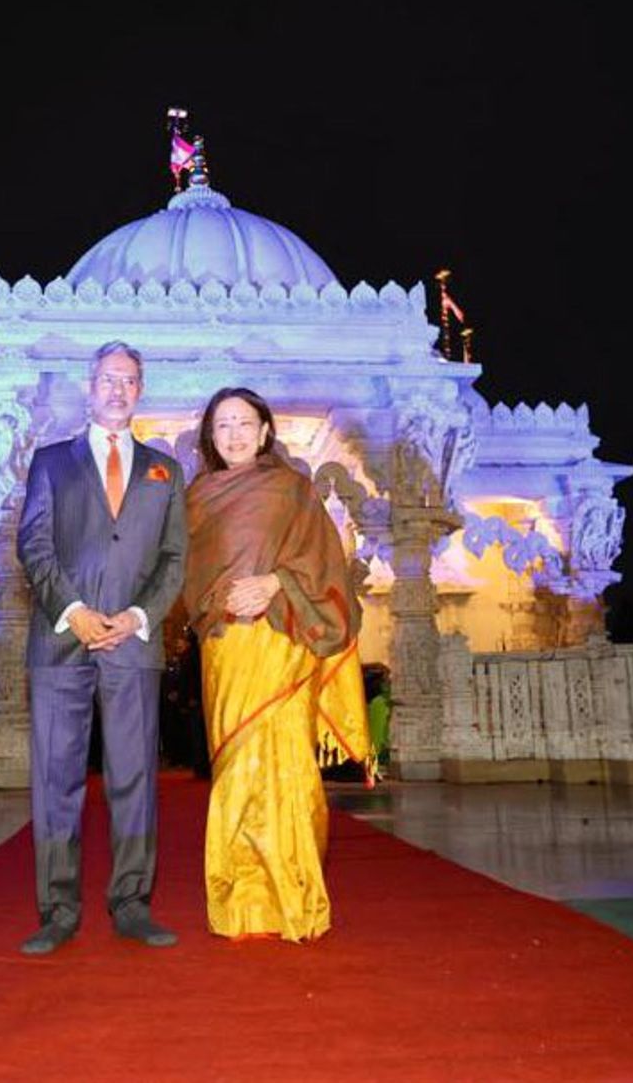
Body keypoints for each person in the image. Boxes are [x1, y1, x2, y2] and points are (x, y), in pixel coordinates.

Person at [16, 340, 187, 955]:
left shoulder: (165, 470)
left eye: (130, 380)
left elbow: (174, 559)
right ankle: (57, 910)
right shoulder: (51, 462)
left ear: (141, 391)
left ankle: (132, 903)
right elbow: (34, 545)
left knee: (134, 776)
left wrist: (137, 616)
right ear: (90, 387)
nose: (119, 389)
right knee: (56, 779)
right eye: (109, 379)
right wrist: (75, 612)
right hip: (60, 640)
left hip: (132, 644)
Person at [184, 388, 371, 943]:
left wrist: (275, 583)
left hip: (284, 639)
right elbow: (187, 577)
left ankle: (294, 896)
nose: (235, 434)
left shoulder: (292, 490)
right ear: (210, 436)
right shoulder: (196, 498)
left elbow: (325, 562)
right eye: (223, 425)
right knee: (236, 765)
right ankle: (240, 900)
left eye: (245, 423)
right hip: (227, 647)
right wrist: (219, 599)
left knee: (286, 766)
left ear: (265, 431)